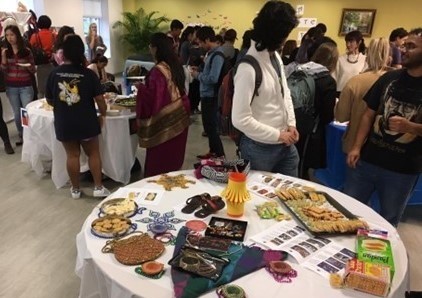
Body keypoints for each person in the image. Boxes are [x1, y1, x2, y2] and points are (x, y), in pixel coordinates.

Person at [343, 28, 422, 226]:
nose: (404, 50)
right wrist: (356, 147)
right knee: (347, 213)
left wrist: (411, 127)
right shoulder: (389, 78)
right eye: (404, 45)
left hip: (402, 171)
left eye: (411, 47)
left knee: (388, 221)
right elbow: (368, 114)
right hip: (368, 161)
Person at [232, 0, 300, 177]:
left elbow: (285, 94)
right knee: (257, 200)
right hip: (258, 148)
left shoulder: (275, 56)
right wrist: (278, 134)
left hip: (285, 144)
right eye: (285, 34)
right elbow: (239, 119)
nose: (286, 39)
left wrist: (291, 123)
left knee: (290, 195)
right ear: (276, 34)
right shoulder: (248, 67)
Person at [45, 34, 110, 199]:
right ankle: (98, 187)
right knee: (93, 153)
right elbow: (100, 100)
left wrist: (65, 107)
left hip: (64, 122)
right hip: (86, 121)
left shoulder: (54, 74)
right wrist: (103, 114)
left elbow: (50, 100)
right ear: (81, 52)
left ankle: (75, 190)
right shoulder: (88, 74)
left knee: (72, 155)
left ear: (64, 53)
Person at [136, 32, 190, 177]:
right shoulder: (174, 64)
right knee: (174, 155)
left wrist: (140, 89)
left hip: (165, 119)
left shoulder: (157, 71)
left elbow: (153, 97)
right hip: (180, 113)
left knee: (160, 159)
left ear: (154, 48)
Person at [335, 38, 391, 154]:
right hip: (389, 149)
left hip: (356, 147)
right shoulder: (396, 81)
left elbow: (341, 116)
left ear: (368, 55)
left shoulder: (356, 82)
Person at [295, 39, 339, 179]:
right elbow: (327, 115)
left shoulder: (299, 71)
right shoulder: (327, 81)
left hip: (292, 123)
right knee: (304, 168)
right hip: (311, 130)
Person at [190, 26, 226, 159]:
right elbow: (209, 72)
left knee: (211, 128)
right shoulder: (211, 53)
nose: (199, 45)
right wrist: (199, 71)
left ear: (207, 40)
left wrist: (197, 76)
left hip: (211, 96)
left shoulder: (217, 55)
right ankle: (213, 152)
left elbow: (213, 78)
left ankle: (220, 155)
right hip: (206, 94)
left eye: (200, 42)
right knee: (208, 126)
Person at [1, 25, 36, 146]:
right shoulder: (5, 52)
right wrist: (4, 59)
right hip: (11, 87)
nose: (9, 38)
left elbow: (33, 69)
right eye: (7, 35)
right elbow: (4, 70)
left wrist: (27, 66)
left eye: (12, 35)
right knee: (16, 113)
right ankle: (22, 135)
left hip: (26, 85)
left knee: (25, 111)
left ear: (17, 35)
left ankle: (28, 135)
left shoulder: (26, 51)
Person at [332, 30, 367, 97]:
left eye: (351, 42)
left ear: (359, 42)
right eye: (347, 42)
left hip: (357, 94)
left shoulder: (365, 60)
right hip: (340, 93)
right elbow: (334, 78)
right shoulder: (340, 59)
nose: (348, 45)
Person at [29, 15, 55, 98]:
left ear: (39, 24)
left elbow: (30, 49)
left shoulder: (35, 36)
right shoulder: (53, 35)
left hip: (40, 65)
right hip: (52, 63)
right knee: (53, 87)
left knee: (41, 89)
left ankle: (41, 107)